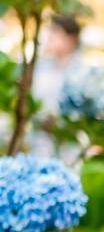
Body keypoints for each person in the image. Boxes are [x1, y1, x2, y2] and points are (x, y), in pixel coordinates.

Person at [28, 13, 87, 161]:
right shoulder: (41, 66)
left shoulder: (82, 72)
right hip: (38, 143)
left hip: (67, 148)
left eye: (55, 31)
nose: (49, 36)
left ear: (71, 39)